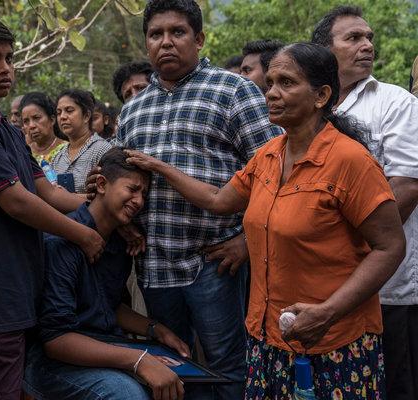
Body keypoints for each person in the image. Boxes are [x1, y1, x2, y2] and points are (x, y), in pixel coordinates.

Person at [126, 42, 406, 399]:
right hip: (268, 336)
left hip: (333, 339)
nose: (271, 93)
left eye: (286, 83)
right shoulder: (268, 156)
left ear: (321, 95)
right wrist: (159, 167)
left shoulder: (350, 161)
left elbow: (390, 246)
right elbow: (217, 199)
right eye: (270, 82)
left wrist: (327, 313)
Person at [96, 1, 282, 397]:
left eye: (177, 32)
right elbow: (119, 178)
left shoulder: (234, 90)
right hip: (154, 264)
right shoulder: (132, 109)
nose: (166, 42)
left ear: (198, 38)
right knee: (174, 364)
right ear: (146, 44)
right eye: (155, 34)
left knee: (227, 364)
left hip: (214, 262)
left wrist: (247, 243)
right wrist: (125, 224)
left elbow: (276, 172)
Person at [0, 13, 105, 399]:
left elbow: (48, 192)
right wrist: (84, 234)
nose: (5, 68)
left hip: (17, 283)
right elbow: (16, 201)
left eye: (9, 58)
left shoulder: (8, 130)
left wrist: (99, 202)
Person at [24, 148, 189, 400]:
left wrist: (156, 329)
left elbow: (105, 304)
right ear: (101, 184)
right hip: (51, 362)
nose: (139, 201)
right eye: (132, 189)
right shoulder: (62, 241)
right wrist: (139, 361)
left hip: (104, 344)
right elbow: (56, 340)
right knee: (128, 394)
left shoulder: (121, 241)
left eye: (143, 194)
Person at [312, 7, 418, 399]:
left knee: (391, 384)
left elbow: (406, 187)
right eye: (353, 38)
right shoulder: (313, 108)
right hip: (322, 283)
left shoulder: (395, 102)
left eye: (368, 37)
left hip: (384, 283)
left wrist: (344, 246)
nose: (367, 45)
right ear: (324, 50)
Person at [53, 89, 112, 193]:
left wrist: (66, 198)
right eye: (59, 112)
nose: (62, 117)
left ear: (86, 116)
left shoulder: (103, 150)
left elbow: (108, 195)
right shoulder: (58, 157)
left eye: (69, 110)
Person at [18, 92, 66, 163]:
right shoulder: (23, 153)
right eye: (26, 121)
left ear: (52, 120)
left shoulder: (67, 150)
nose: (31, 126)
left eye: (36, 118)